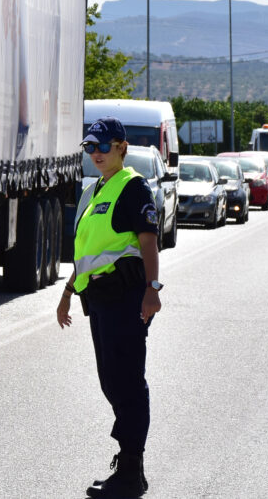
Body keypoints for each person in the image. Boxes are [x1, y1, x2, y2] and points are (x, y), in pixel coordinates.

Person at [57, 116, 163, 499]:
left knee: (128, 382)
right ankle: (129, 463)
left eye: (103, 146)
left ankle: (131, 470)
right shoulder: (95, 190)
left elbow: (148, 241)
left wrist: (152, 290)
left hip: (126, 296)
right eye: (90, 147)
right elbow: (87, 252)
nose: (96, 154)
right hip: (98, 299)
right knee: (111, 381)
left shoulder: (132, 187)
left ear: (122, 147)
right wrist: (67, 292)